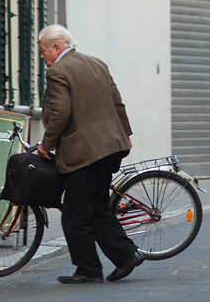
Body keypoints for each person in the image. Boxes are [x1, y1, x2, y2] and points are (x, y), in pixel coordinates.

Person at [36, 24, 144, 284]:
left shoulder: (59, 71)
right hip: (110, 148)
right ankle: (127, 255)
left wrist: (46, 145)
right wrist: (125, 135)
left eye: (43, 51)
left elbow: (61, 113)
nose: (42, 57)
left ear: (57, 47)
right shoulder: (97, 63)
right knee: (96, 208)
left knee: (74, 215)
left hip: (84, 153)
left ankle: (88, 269)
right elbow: (117, 102)